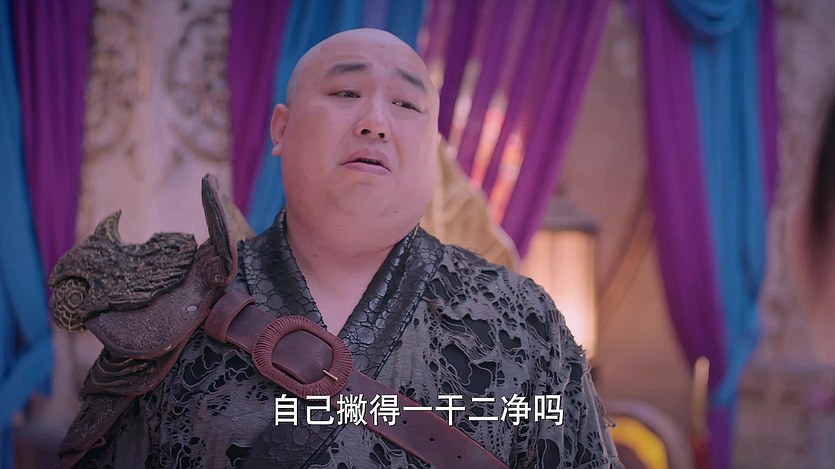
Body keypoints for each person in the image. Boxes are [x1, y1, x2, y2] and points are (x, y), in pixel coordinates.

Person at [52, 28, 621, 468]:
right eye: (346, 92)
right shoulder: (175, 311)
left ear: (433, 146)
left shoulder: (523, 320)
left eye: (406, 105)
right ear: (281, 129)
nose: (375, 121)